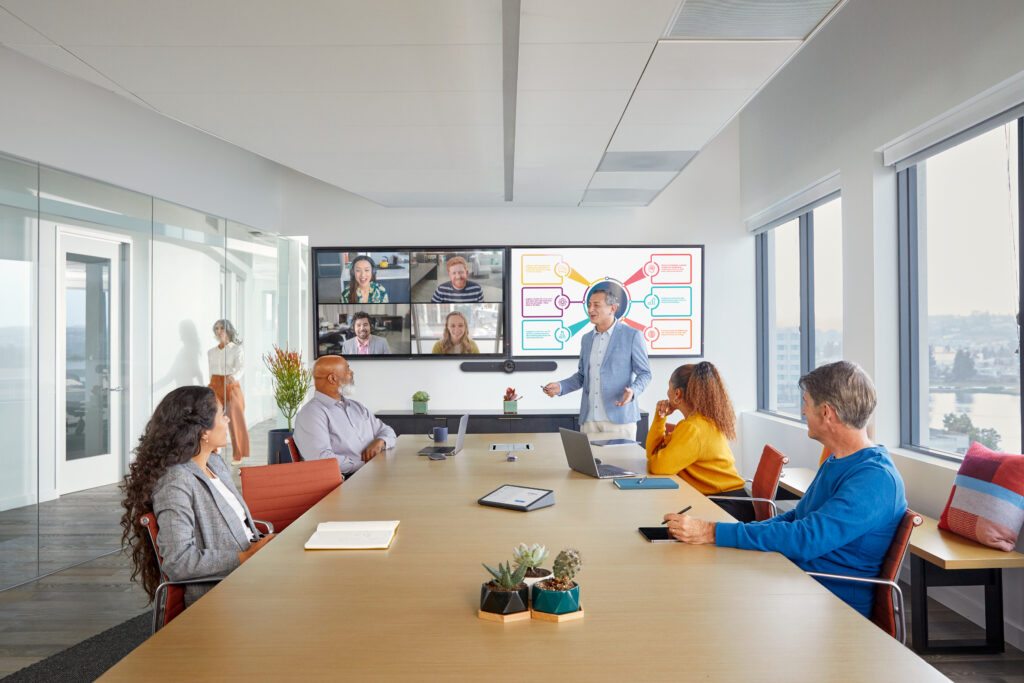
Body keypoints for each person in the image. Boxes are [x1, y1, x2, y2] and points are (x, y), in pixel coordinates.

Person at [664, 361, 907, 618]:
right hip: (793, 580)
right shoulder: (839, 460)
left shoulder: (875, 479)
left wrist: (713, 532)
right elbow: (795, 519)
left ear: (826, 412)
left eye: (806, 402)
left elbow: (805, 538)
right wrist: (720, 533)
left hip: (828, 606)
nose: (802, 411)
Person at [120, 386, 273, 609]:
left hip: (253, 571)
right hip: (225, 592)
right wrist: (245, 558)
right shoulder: (175, 482)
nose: (228, 419)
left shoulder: (214, 463)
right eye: (222, 414)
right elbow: (178, 561)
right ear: (204, 432)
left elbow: (238, 526)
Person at [646, 362, 753, 523]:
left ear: (677, 394)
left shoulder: (693, 428)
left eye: (669, 388)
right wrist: (660, 417)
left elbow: (657, 466)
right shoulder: (696, 423)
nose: (666, 393)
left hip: (728, 508)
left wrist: (657, 456)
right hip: (723, 501)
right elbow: (653, 454)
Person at [542, 287, 651, 440]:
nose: (590, 309)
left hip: (619, 420)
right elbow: (582, 376)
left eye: (596, 305)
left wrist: (633, 392)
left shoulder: (632, 335)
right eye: (589, 305)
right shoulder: (586, 339)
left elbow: (645, 374)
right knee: (588, 464)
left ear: (612, 309)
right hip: (589, 421)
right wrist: (560, 387)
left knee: (620, 464)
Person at [292, 355, 397, 477]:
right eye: (347, 369)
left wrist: (381, 441)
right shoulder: (311, 414)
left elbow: (387, 430)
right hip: (345, 482)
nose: (352, 372)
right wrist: (364, 465)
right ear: (332, 379)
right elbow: (322, 460)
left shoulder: (357, 407)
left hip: (373, 473)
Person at [207, 319, 249, 462]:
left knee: (235, 419)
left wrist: (234, 377)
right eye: (216, 329)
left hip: (231, 384)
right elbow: (210, 371)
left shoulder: (236, 349)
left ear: (228, 330)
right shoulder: (211, 352)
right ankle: (212, 450)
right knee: (211, 417)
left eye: (221, 328)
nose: (219, 332)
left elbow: (241, 367)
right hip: (214, 384)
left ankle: (238, 454)